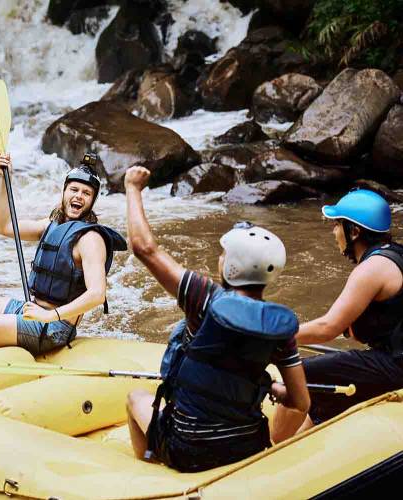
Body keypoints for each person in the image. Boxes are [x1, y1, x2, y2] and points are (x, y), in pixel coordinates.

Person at [123, 166, 310, 472]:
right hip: (248, 447)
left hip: (187, 449)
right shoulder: (279, 328)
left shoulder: (203, 297)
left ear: (233, 268)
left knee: (136, 398)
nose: (219, 258)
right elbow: (300, 403)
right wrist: (273, 388)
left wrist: (132, 188)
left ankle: (150, 473)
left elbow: (145, 248)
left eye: (224, 255)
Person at [0, 153, 127, 359]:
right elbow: (4, 226)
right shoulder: (51, 225)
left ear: (92, 201)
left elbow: (97, 294)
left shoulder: (90, 239)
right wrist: (4, 179)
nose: (78, 196)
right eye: (74, 189)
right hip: (32, 311)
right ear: (64, 192)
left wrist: (50, 315)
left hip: (53, 326)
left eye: (86, 193)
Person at [275, 189, 403, 433]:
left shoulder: (372, 268)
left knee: (299, 373)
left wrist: (277, 338)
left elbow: (327, 328)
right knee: (331, 380)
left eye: (336, 225)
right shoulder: (395, 255)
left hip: (395, 366)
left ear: (354, 232)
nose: (334, 233)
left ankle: (271, 450)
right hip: (394, 359)